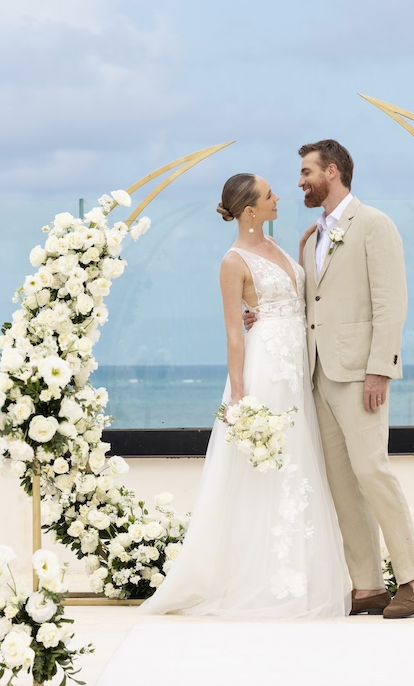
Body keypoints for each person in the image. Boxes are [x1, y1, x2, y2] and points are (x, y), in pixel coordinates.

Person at [140, 173, 351, 617]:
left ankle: (303, 572)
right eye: (269, 194)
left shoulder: (280, 246)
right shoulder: (232, 262)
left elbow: (294, 295)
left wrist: (301, 255)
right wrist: (239, 395)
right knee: (271, 467)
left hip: (298, 367)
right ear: (250, 211)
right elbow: (235, 333)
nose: (279, 197)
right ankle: (264, 578)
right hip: (267, 370)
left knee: (300, 464)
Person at [295, 138, 414, 619]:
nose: (301, 181)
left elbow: (391, 303)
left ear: (332, 171)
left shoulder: (374, 224)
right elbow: (308, 304)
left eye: (308, 171)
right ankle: (368, 586)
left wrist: (380, 369)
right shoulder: (310, 238)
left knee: (372, 470)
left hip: (359, 374)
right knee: (342, 483)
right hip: (318, 374)